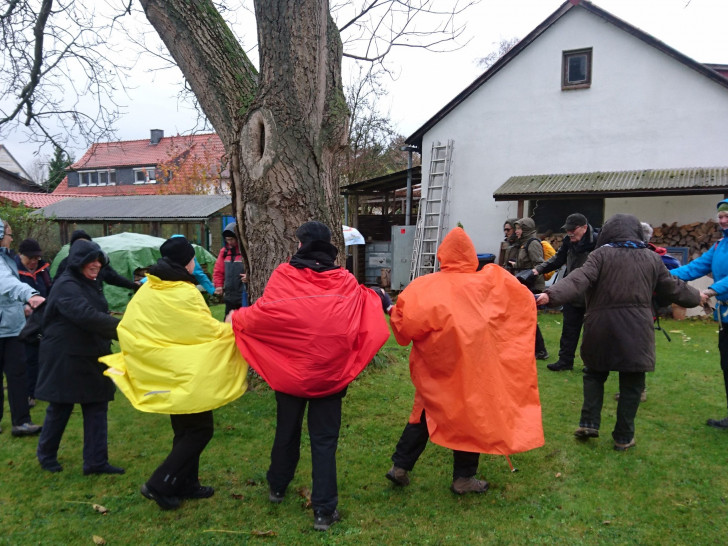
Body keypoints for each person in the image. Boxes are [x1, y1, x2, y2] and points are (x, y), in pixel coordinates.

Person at [229, 221, 390, 531]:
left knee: (286, 432)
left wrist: (238, 317)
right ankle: (324, 511)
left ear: (301, 245)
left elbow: (264, 314)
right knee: (324, 442)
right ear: (327, 246)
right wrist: (383, 298)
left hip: (290, 376)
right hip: (330, 377)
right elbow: (365, 302)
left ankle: (277, 487)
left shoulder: (284, 276)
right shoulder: (343, 280)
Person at [386, 227, 543, 493]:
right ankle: (464, 477)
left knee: (426, 412)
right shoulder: (490, 283)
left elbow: (403, 329)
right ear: (471, 256)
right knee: (471, 415)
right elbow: (522, 299)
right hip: (472, 369)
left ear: (441, 256)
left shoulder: (423, 287)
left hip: (436, 368)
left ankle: (400, 466)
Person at [101, 236, 248, 510]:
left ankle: (186, 483)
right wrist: (232, 326)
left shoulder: (149, 288)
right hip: (186, 375)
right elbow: (204, 330)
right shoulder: (183, 292)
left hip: (165, 372)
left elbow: (131, 326)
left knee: (184, 431)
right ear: (187, 261)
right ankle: (160, 483)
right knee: (200, 431)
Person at [536, 214, 700, 451]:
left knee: (594, 374)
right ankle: (623, 437)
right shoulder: (651, 259)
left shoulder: (599, 255)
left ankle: (589, 423)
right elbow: (673, 287)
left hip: (600, 327)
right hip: (637, 330)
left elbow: (578, 278)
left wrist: (551, 295)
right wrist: (699, 297)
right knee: (632, 383)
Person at [35, 239, 123, 473]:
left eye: (98, 261)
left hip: (90, 353)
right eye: (91, 260)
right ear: (78, 262)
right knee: (61, 406)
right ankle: (46, 455)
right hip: (65, 357)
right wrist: (124, 330)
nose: (96, 265)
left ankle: (96, 462)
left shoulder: (88, 282)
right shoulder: (66, 285)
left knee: (96, 404)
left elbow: (94, 314)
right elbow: (85, 315)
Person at [669, 199, 728, 429]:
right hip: (725, 318)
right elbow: (693, 269)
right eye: (720, 216)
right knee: (727, 365)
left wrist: (712, 290)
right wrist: (660, 274)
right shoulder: (719, 246)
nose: (723, 220)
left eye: (727, 216)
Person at [532, 213, 599, 371]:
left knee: (592, 333)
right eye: (567, 229)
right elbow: (557, 259)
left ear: (584, 227)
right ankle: (565, 361)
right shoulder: (569, 241)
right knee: (569, 330)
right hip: (572, 291)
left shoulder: (598, 241)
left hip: (592, 294)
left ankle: (591, 365)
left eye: (572, 229)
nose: (569, 232)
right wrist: (537, 270)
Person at [0, 220, 45, 437]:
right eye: (8, 234)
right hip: (3, 328)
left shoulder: (5, 257)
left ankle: (21, 421)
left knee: (18, 374)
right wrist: (30, 295)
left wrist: (23, 306)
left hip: (12, 327)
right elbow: (6, 284)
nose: (11, 238)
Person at [15, 238, 53, 406]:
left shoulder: (44, 269)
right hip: (22, 323)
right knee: (28, 359)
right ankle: (30, 394)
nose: (33, 262)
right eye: (29, 258)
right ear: (20, 255)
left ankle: (43, 389)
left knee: (46, 356)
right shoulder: (11, 271)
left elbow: (50, 290)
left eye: (36, 258)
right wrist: (22, 307)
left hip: (43, 320)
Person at [510, 217, 548, 360]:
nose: (517, 231)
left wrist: (528, 273)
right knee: (524, 317)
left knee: (529, 318)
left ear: (526, 229)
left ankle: (541, 350)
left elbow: (539, 264)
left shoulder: (532, 243)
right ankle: (532, 348)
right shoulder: (523, 244)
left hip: (533, 286)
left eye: (519, 228)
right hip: (525, 285)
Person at [55, 230, 139, 292]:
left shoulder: (98, 263)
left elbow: (113, 277)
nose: (97, 265)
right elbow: (57, 287)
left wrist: (132, 285)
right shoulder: (65, 265)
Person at [213, 221, 248, 314]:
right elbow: (218, 271)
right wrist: (219, 286)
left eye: (232, 239)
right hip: (229, 295)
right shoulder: (224, 252)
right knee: (228, 321)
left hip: (243, 294)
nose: (230, 242)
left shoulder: (246, 252)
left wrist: (248, 277)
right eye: (227, 239)